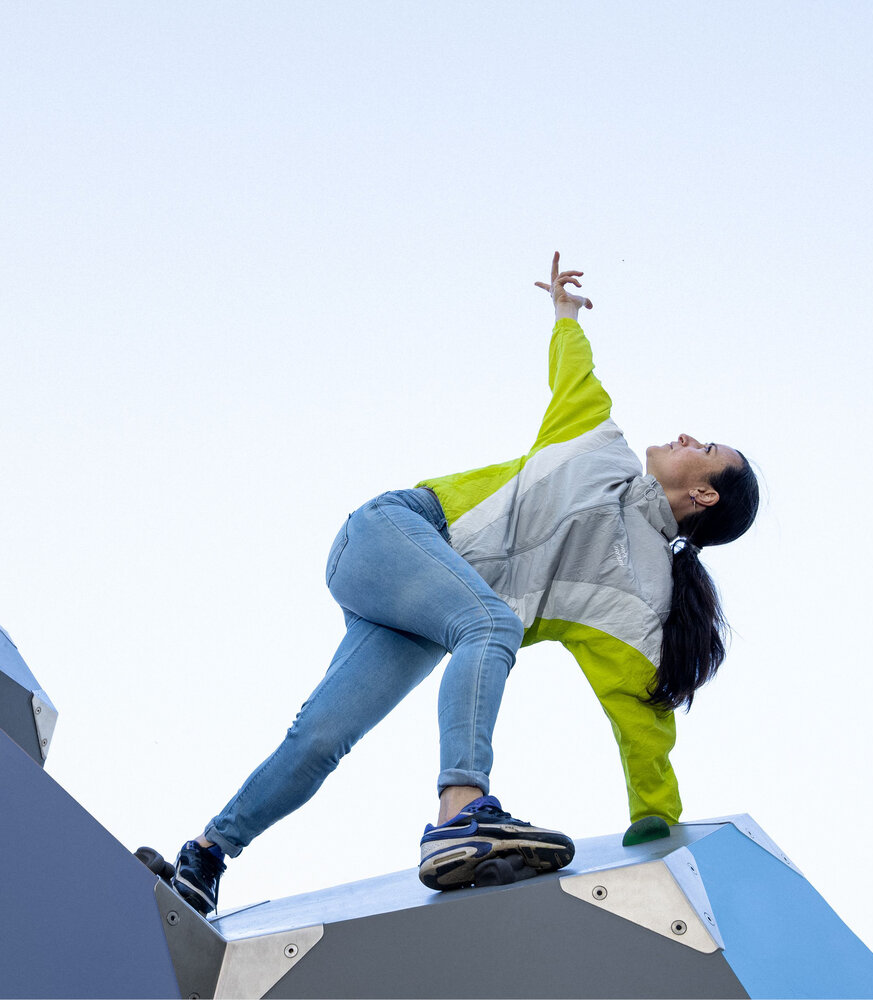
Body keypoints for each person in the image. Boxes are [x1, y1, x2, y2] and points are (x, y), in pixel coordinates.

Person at [170, 252, 760, 916]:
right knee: (490, 622)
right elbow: (575, 369)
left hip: (420, 613)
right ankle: (461, 812)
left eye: (705, 449)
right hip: (393, 533)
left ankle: (204, 856)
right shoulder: (598, 440)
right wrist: (564, 313)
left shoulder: (643, 599)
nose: (686, 437)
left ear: (705, 495)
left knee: (321, 738)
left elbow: (640, 713)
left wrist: (657, 824)